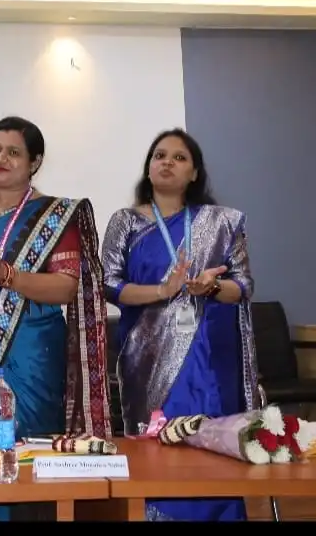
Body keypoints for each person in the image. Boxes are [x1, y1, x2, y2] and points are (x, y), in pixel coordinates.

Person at [0, 116, 111, 522]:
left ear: (35, 162)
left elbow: (65, 287)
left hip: (35, 352)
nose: (1, 158)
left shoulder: (55, 216)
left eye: (13, 152)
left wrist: (6, 274)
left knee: (30, 446)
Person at [101, 128, 256, 522]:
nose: (167, 162)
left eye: (179, 157)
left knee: (213, 446)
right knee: (157, 449)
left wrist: (212, 286)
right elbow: (108, 285)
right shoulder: (125, 222)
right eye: (159, 155)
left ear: (194, 173)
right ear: (148, 168)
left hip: (211, 358)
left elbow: (243, 286)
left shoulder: (222, 222)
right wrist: (162, 290)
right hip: (147, 357)